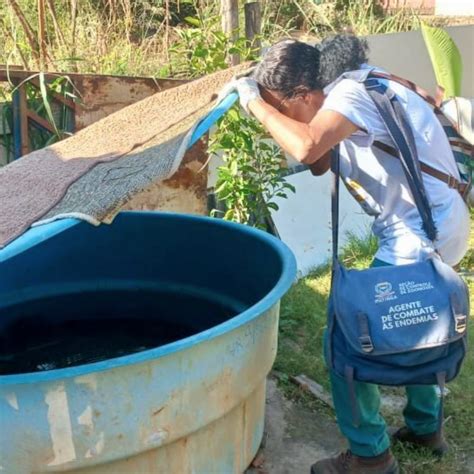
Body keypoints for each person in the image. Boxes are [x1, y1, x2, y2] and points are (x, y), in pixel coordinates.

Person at [222, 35, 470, 474]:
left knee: (345, 340)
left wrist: (252, 104)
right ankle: (425, 427)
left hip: (416, 235)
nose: (282, 120)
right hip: (440, 224)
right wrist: (281, 115)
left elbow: (304, 147)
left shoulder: (349, 94)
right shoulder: (365, 83)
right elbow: (319, 159)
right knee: (415, 323)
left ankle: (369, 456)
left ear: (304, 94)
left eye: (283, 109)